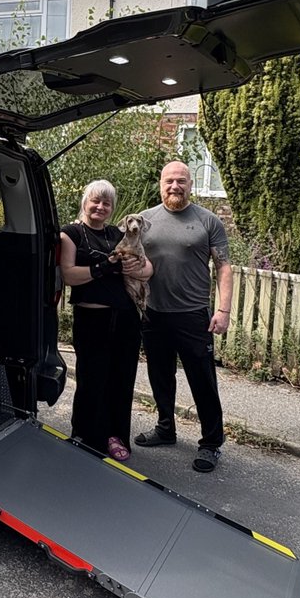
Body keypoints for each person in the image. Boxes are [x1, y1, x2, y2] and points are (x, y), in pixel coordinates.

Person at [134, 161, 233, 473]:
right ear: (160, 184)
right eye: (169, 181)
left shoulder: (208, 221)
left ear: (191, 185)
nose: (174, 187)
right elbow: (131, 259)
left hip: (193, 316)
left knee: (202, 380)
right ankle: (165, 429)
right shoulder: (144, 220)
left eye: (181, 181)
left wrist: (223, 310)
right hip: (153, 314)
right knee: (160, 376)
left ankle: (211, 443)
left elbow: (224, 267)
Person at [60, 179, 154, 462]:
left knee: (122, 378)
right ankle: (87, 434)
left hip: (125, 317)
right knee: (92, 377)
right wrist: (104, 266)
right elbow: (69, 275)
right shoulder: (71, 233)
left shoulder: (118, 233)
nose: (100, 207)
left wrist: (140, 268)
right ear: (85, 202)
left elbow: (148, 269)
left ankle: (116, 435)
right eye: (96, 201)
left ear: (113, 209)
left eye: (107, 203)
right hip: (92, 317)